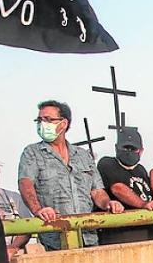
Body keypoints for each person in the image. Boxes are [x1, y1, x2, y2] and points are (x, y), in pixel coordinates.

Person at [18, 99, 123, 250]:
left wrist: (108, 204)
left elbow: (97, 190)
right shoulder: (32, 153)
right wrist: (38, 210)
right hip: (54, 238)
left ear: (64, 123)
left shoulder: (83, 155)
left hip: (88, 236)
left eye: (48, 119)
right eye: (39, 120)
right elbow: (25, 183)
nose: (42, 124)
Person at [97, 128, 153, 244]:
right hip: (121, 235)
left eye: (133, 149)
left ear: (141, 150)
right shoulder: (107, 163)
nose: (129, 151)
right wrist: (143, 204)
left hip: (148, 230)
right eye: (125, 148)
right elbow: (118, 188)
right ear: (116, 148)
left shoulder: (141, 169)